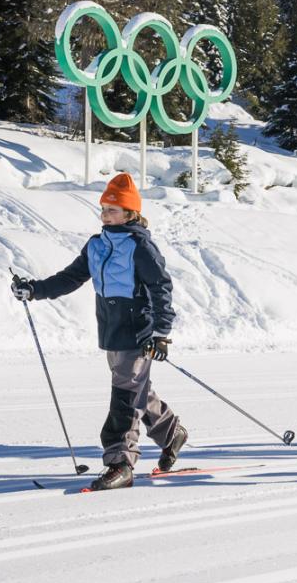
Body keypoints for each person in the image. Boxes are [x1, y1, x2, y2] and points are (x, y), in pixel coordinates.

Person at [11, 173, 187, 490]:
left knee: (124, 396)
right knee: (135, 390)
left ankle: (121, 463)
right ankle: (172, 432)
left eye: (113, 209)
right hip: (111, 328)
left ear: (130, 213)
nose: (106, 215)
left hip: (138, 332)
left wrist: (161, 332)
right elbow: (70, 278)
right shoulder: (96, 245)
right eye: (103, 209)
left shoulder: (140, 247)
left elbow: (161, 288)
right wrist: (35, 289)